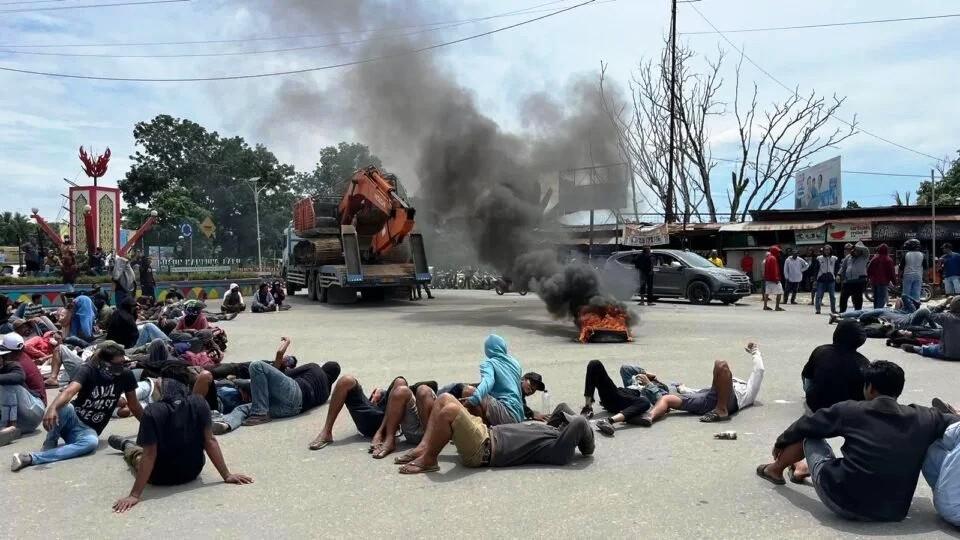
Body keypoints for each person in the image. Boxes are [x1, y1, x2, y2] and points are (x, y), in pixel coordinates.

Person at [755, 361, 957, 522]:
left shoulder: (850, 410)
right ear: (899, 390)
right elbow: (954, 424)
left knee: (811, 435)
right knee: (935, 438)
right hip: (894, 511)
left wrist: (781, 441)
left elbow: (806, 424)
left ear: (869, 388)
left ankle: (775, 469)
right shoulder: (926, 417)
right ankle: (801, 469)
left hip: (842, 502)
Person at [108, 378, 253, 513]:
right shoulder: (199, 402)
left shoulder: (152, 412)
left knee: (139, 454)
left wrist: (134, 495)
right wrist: (227, 475)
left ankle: (126, 445)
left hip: (159, 477)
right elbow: (210, 441)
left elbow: (149, 455)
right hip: (192, 471)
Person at [11, 341, 141, 472]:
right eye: (116, 365)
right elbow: (69, 391)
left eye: (122, 363)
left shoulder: (126, 375)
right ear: (104, 364)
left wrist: (151, 426)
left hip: (87, 430)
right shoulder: (88, 370)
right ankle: (50, 442)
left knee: (91, 443)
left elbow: (134, 406)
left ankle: (31, 458)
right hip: (71, 418)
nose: (121, 367)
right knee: (63, 407)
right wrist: (52, 408)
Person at [392, 394, 594, 474]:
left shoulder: (558, 451)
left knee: (449, 412)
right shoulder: (552, 430)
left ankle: (430, 460)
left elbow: (580, 422)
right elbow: (562, 408)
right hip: (485, 432)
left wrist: (586, 439)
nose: (564, 425)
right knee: (445, 398)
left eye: (566, 427)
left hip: (483, 450)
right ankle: (424, 447)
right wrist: (564, 420)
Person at [212, 337, 340, 431]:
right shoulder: (326, 394)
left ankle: (260, 414)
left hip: (295, 392)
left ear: (325, 367)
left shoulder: (315, 368)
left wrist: (238, 381)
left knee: (256, 366)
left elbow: (285, 376)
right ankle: (226, 425)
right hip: (294, 410)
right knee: (245, 408)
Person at [308, 375, 437, 459]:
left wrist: (380, 432)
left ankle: (384, 435)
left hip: (386, 419)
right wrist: (380, 394)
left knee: (401, 383)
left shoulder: (415, 395)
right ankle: (326, 432)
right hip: (376, 409)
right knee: (346, 380)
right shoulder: (387, 394)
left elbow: (407, 395)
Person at [647, 342, 764, 424]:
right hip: (708, 398)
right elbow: (699, 392)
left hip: (727, 402)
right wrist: (684, 389)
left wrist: (755, 351)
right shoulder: (719, 385)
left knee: (721, 364)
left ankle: (721, 409)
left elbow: (759, 370)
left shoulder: (749, 392)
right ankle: (649, 417)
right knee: (667, 399)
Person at [461, 334, 533, 426]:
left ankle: (482, 433)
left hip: (506, 413)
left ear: (487, 350)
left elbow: (488, 382)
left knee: (469, 391)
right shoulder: (515, 364)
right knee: (480, 396)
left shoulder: (489, 363)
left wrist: (472, 400)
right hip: (519, 416)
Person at [580, 359, 656, 435]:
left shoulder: (659, 387)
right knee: (595, 364)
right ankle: (588, 408)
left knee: (645, 402)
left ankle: (608, 421)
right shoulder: (633, 381)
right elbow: (625, 368)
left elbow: (661, 399)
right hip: (616, 395)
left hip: (632, 402)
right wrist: (645, 373)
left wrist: (649, 383)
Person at [0, 333, 47, 446]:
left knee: (9, 385)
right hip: (25, 412)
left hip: (34, 410)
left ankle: (9, 426)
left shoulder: (15, 364)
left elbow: (19, 377)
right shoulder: (19, 357)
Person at [923, 402, 960, 526]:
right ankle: (950, 421)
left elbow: (948, 503)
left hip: (952, 506)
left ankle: (950, 420)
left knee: (931, 444)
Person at [901, 296, 960, 361]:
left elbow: (931, 314)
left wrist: (945, 303)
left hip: (947, 353)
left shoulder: (946, 317)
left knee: (930, 348)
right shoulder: (946, 317)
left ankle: (916, 348)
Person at [838, 242, 869, 313]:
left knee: (857, 299)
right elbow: (843, 267)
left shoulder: (864, 256)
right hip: (848, 281)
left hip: (859, 281)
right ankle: (841, 313)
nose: (856, 251)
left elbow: (866, 249)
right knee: (843, 298)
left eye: (857, 250)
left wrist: (856, 246)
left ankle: (857, 313)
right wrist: (839, 275)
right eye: (855, 250)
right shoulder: (848, 257)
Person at [867, 243, 896, 309]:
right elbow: (891, 272)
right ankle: (878, 314)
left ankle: (875, 313)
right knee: (881, 299)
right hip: (883, 282)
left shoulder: (874, 259)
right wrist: (894, 282)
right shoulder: (889, 260)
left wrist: (869, 278)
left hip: (874, 282)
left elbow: (869, 269)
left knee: (876, 298)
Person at [814, 245, 839, 315]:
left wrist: (837, 276)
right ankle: (818, 309)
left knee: (832, 296)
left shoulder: (835, 258)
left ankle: (833, 310)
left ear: (831, 250)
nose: (827, 251)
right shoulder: (819, 258)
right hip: (821, 279)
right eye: (825, 250)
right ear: (823, 251)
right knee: (819, 295)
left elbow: (837, 269)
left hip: (831, 280)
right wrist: (815, 279)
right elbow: (816, 269)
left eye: (828, 250)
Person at [762, 246, 784, 311]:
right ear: (775, 251)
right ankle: (777, 307)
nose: (779, 253)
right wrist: (776, 279)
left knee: (767, 292)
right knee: (779, 292)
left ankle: (765, 306)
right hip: (774, 279)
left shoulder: (768, 258)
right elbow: (774, 270)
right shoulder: (773, 258)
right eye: (778, 252)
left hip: (768, 279)